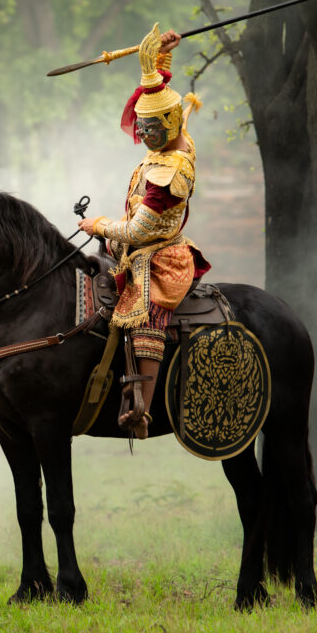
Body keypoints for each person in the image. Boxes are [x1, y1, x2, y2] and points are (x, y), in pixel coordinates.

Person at [77, 23, 210, 440]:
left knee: (142, 313)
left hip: (162, 257)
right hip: (131, 251)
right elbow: (155, 96)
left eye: (151, 128)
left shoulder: (171, 169)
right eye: (143, 126)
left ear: (171, 124)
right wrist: (159, 60)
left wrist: (97, 224)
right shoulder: (172, 139)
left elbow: (138, 229)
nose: (144, 134)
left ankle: (141, 409)